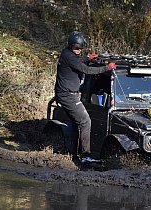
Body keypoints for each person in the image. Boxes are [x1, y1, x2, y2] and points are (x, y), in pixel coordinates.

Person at [54, 31, 116, 163]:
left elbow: (76, 61)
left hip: (66, 94)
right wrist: (107, 68)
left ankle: (73, 154)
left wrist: (87, 58)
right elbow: (87, 70)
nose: (78, 50)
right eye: (76, 48)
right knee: (85, 121)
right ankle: (86, 156)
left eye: (80, 48)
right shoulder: (69, 56)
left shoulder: (67, 54)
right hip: (67, 95)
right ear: (71, 45)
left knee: (77, 123)